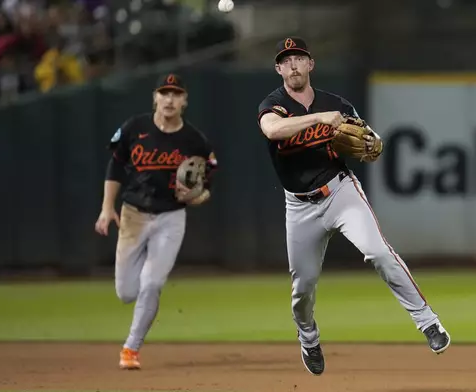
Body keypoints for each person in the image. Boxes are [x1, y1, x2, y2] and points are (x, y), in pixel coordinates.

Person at [256, 37, 450, 376]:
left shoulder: (338, 104)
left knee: (379, 252)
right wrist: (319, 119)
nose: (293, 65)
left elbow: (371, 140)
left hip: (340, 193)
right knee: (303, 287)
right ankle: (309, 339)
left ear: (310, 64)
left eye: (299, 58)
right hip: (299, 207)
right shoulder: (273, 105)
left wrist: (372, 142)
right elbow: (273, 130)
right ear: (278, 68)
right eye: (286, 61)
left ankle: (428, 322)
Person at [94, 72, 218, 370]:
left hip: (171, 218)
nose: (170, 99)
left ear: (184, 101)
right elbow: (116, 166)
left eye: (176, 94)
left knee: (152, 283)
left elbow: (208, 176)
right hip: (133, 214)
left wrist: (199, 195)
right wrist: (106, 207)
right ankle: (143, 310)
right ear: (155, 98)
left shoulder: (194, 139)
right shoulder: (134, 128)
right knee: (126, 293)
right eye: (165, 93)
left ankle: (130, 349)